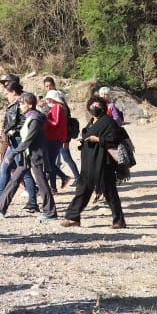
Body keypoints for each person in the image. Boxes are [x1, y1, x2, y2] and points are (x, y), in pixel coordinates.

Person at [60, 94, 128, 229]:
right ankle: (73, 217)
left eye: (98, 106)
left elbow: (115, 139)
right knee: (82, 189)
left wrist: (98, 140)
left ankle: (119, 221)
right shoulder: (91, 122)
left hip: (103, 162)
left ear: (103, 108)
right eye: (92, 106)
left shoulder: (108, 121)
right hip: (89, 162)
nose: (94, 108)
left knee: (110, 192)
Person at [0, 93, 55, 221]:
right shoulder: (29, 117)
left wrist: (12, 154)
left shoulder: (35, 119)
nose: (20, 106)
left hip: (36, 156)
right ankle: (0, 207)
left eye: (22, 104)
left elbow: (28, 140)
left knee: (42, 183)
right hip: (27, 155)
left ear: (30, 105)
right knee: (14, 180)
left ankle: (50, 212)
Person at [0, 75, 36, 212]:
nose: (5, 94)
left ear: (13, 92)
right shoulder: (15, 104)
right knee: (6, 168)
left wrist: (10, 133)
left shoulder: (20, 104)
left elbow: (22, 123)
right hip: (13, 141)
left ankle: (32, 202)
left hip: (18, 141)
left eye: (7, 92)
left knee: (23, 171)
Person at [42, 77, 81, 187]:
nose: (48, 88)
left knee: (63, 158)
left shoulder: (59, 103)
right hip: (58, 135)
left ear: (54, 85)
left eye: (50, 85)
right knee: (54, 161)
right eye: (46, 86)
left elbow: (59, 121)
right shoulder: (54, 103)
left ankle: (75, 178)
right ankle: (53, 185)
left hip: (60, 136)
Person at [41, 86, 72, 190]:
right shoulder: (58, 107)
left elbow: (55, 122)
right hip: (54, 138)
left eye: (49, 98)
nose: (47, 100)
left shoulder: (57, 107)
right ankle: (53, 187)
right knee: (50, 163)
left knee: (49, 164)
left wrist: (44, 118)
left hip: (54, 138)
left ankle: (63, 177)